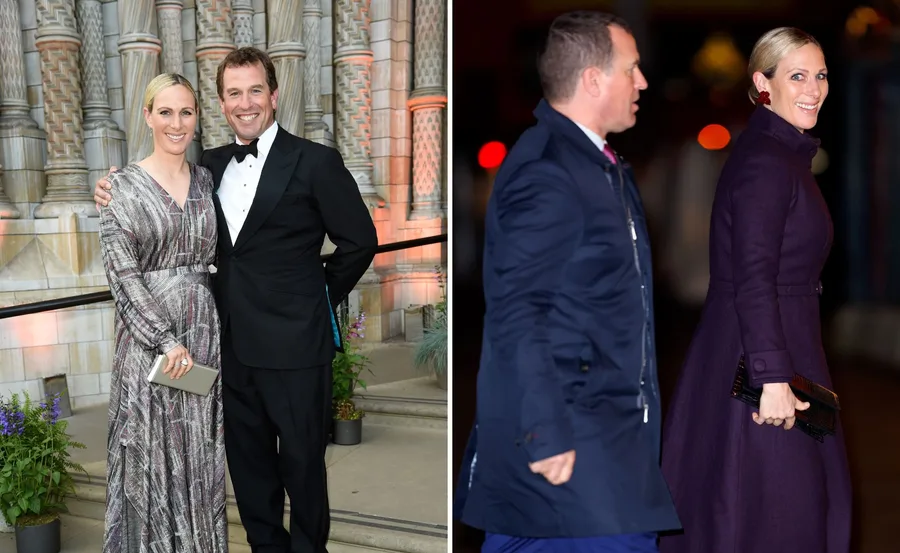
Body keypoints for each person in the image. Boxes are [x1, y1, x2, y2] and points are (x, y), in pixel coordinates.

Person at [95, 47, 378, 553]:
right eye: (233, 94)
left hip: (295, 352)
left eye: (254, 91)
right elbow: (163, 190)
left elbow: (360, 241)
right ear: (222, 104)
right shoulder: (209, 166)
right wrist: (111, 185)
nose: (245, 104)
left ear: (273, 95)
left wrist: (314, 299)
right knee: (250, 477)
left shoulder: (316, 161)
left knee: (303, 472)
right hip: (227, 350)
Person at [454, 11, 681, 553]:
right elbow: (517, 310)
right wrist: (546, 434)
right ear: (593, 79)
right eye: (632, 68)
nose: (643, 82)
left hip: (597, 451)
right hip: (575, 452)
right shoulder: (549, 171)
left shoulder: (594, 164)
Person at [659, 27, 852, 553]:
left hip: (778, 347)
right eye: (796, 75)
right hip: (762, 362)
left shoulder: (782, 154)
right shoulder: (768, 160)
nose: (813, 88)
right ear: (762, 85)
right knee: (774, 513)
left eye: (820, 75)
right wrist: (771, 378)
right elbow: (753, 273)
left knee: (775, 506)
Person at [99, 73, 227, 552]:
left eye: (187, 112)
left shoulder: (206, 181)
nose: (177, 123)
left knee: (198, 457)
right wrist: (165, 339)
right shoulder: (120, 188)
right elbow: (122, 275)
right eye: (167, 112)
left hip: (203, 335)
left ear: (197, 118)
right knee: (151, 455)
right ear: (148, 115)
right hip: (151, 346)